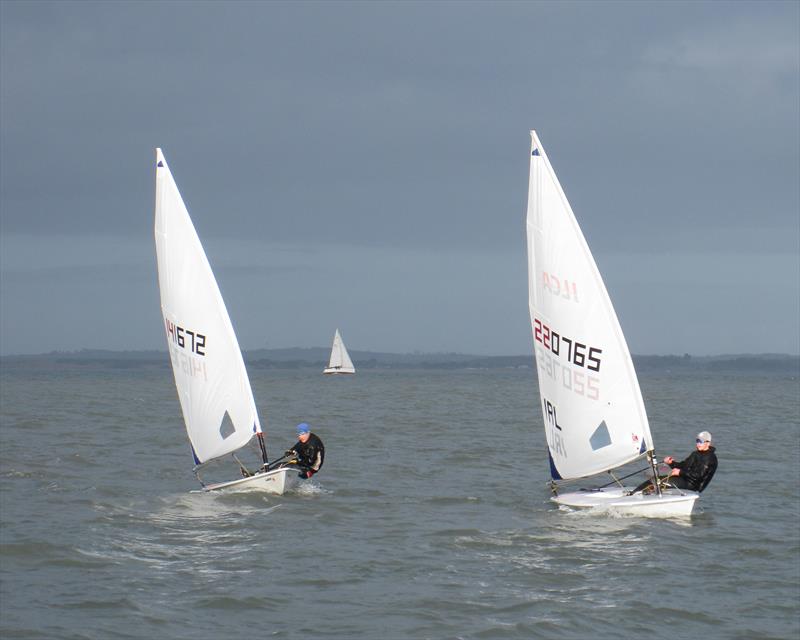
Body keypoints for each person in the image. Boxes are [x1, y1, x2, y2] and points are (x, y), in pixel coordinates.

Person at [634, 431, 717, 494]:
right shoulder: (695, 454)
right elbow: (683, 465)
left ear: (708, 443)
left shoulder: (710, 458)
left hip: (692, 485)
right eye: (697, 441)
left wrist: (680, 472)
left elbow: (698, 475)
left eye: (701, 442)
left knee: (657, 481)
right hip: (684, 479)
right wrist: (671, 463)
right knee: (655, 479)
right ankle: (636, 493)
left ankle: (636, 495)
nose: (698, 444)